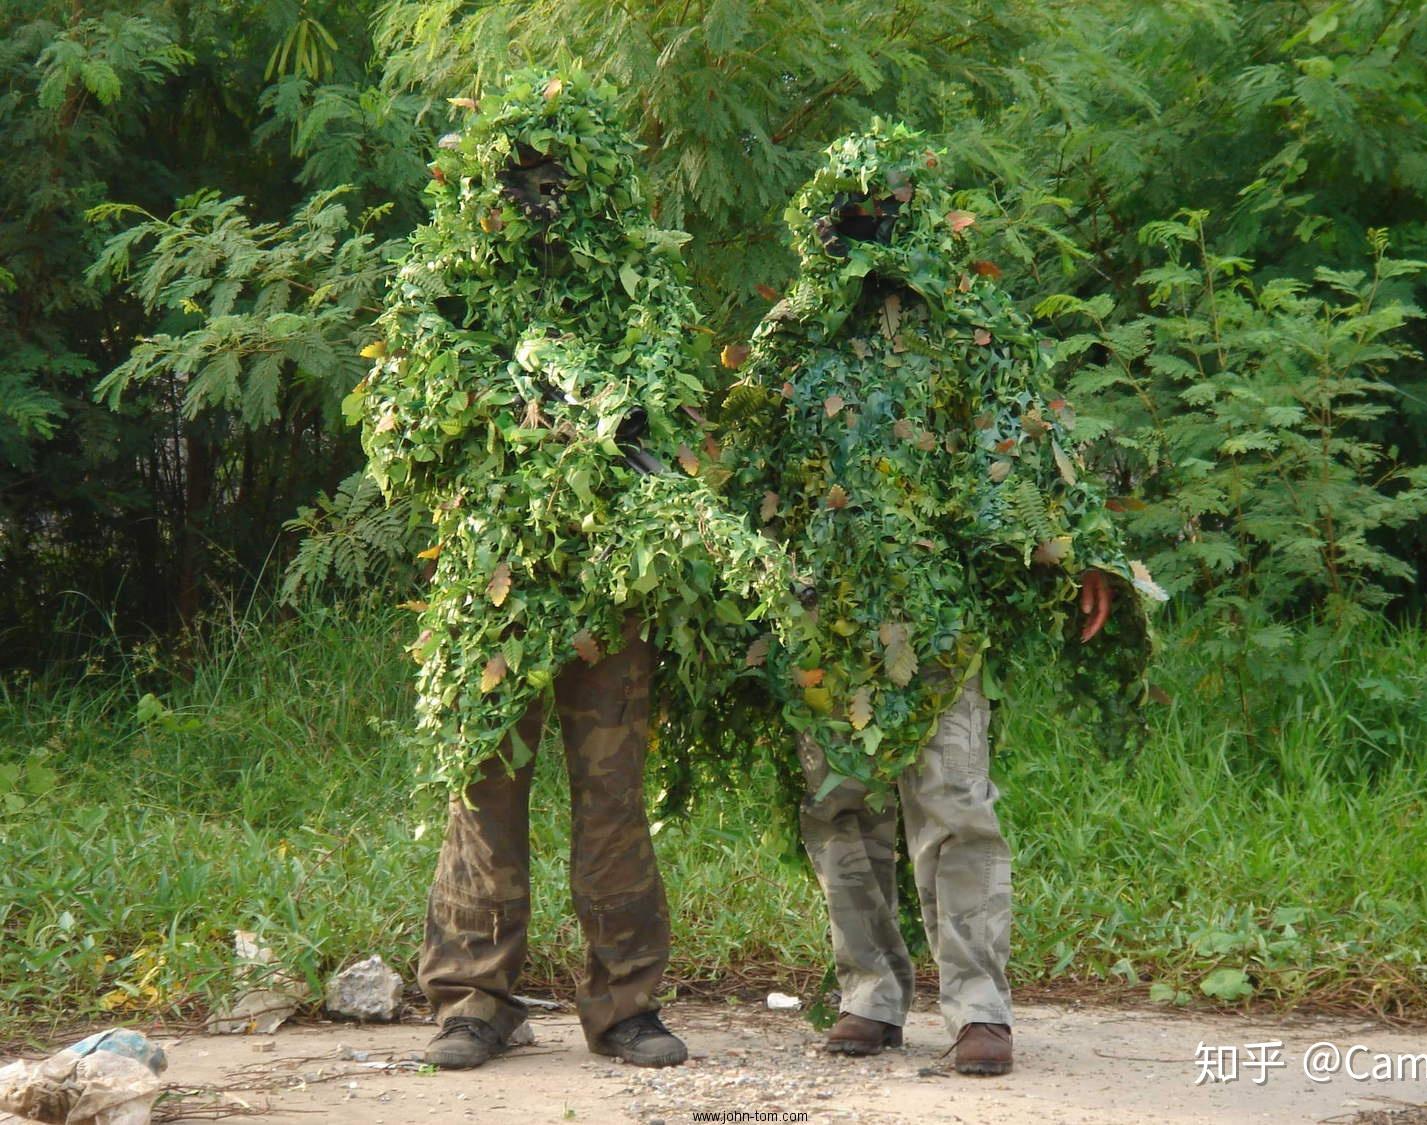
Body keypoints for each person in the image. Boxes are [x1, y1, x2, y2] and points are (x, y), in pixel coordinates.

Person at [354, 71, 795, 1071]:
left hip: (610, 582)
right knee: (484, 793)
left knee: (611, 798)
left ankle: (625, 1005)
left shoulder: (634, 283)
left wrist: (615, 424)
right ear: (488, 187)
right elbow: (418, 419)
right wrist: (540, 417)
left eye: (559, 183)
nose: (540, 202)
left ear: (590, 188)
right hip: (494, 582)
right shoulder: (444, 282)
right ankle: (474, 999)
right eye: (521, 181)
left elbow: (668, 407)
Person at [726, 122, 1162, 1076]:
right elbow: (747, 468)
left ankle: (980, 1008)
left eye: (884, 213)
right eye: (850, 216)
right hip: (821, 616)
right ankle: (871, 995)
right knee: (840, 806)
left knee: (955, 802)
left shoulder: (971, 331)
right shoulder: (795, 334)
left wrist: (1083, 552)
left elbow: (1029, 446)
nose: (868, 234)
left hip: (941, 615)